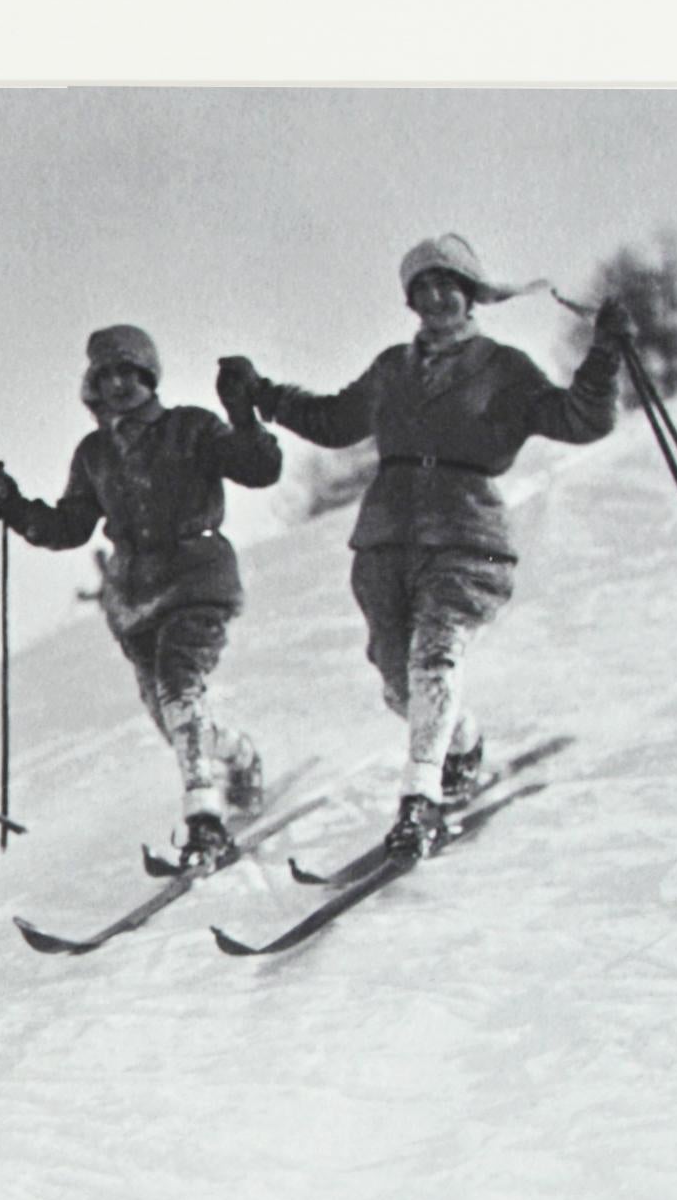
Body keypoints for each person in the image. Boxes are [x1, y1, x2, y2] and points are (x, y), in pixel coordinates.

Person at [220, 234, 632, 862]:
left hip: (468, 535)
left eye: (449, 284)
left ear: (471, 294)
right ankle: (461, 743)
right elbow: (334, 421)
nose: (437, 296)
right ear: (411, 299)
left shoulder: (504, 367)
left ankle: (420, 802)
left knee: (435, 657)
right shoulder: (392, 369)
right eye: (424, 287)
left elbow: (581, 420)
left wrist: (603, 357)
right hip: (388, 537)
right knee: (398, 685)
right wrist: (264, 394)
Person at [0, 324, 284, 874]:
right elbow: (71, 525)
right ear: (93, 386)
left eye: (129, 372)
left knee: (178, 683)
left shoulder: (189, 427)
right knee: (169, 716)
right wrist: (17, 508)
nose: (119, 384)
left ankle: (205, 820)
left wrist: (244, 415)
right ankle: (240, 757)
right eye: (106, 375)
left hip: (197, 579)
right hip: (135, 598)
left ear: (149, 376)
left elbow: (260, 468)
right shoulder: (95, 453)